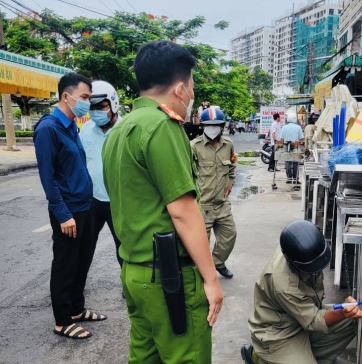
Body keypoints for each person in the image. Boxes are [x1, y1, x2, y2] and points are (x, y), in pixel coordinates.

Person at [102, 40, 224, 363]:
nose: (191, 96)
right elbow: (184, 212)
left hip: (133, 273)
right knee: (187, 356)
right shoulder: (163, 127)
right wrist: (211, 280)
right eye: (192, 87)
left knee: (145, 357)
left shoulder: (117, 131)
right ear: (180, 89)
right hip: (170, 278)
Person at [34, 72, 107, 340]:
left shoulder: (71, 126)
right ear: (67, 96)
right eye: (85, 97)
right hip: (68, 212)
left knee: (82, 262)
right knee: (65, 265)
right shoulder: (48, 128)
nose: (88, 102)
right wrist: (63, 215)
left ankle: (77, 310)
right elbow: (48, 177)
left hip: (85, 206)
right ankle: (63, 321)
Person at [241, 220, 362, 364]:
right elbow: (314, 320)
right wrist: (343, 311)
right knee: (345, 315)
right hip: (279, 334)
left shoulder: (299, 245)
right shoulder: (284, 284)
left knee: (354, 319)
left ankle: (309, 357)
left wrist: (347, 312)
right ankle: (259, 357)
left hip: (300, 316)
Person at [79, 80, 123, 269]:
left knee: (124, 248)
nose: (96, 111)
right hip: (93, 201)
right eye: (92, 107)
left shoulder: (125, 129)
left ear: (113, 104)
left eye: (101, 106)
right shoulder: (86, 130)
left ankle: (128, 284)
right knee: (85, 247)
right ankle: (77, 287)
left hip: (119, 203)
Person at [191, 106, 237, 279]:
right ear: (202, 126)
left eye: (216, 124)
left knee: (229, 236)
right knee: (200, 244)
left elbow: (232, 166)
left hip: (222, 203)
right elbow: (188, 173)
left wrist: (230, 182)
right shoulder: (194, 147)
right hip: (203, 205)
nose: (212, 128)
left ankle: (218, 262)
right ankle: (202, 273)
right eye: (208, 125)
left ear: (222, 126)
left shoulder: (228, 145)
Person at [279, 112, 304, 183]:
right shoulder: (298, 127)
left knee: (288, 162)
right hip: (295, 145)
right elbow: (302, 139)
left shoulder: (284, 127)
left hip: (286, 145)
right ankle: (295, 179)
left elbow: (281, 139)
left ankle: (289, 178)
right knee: (296, 163)